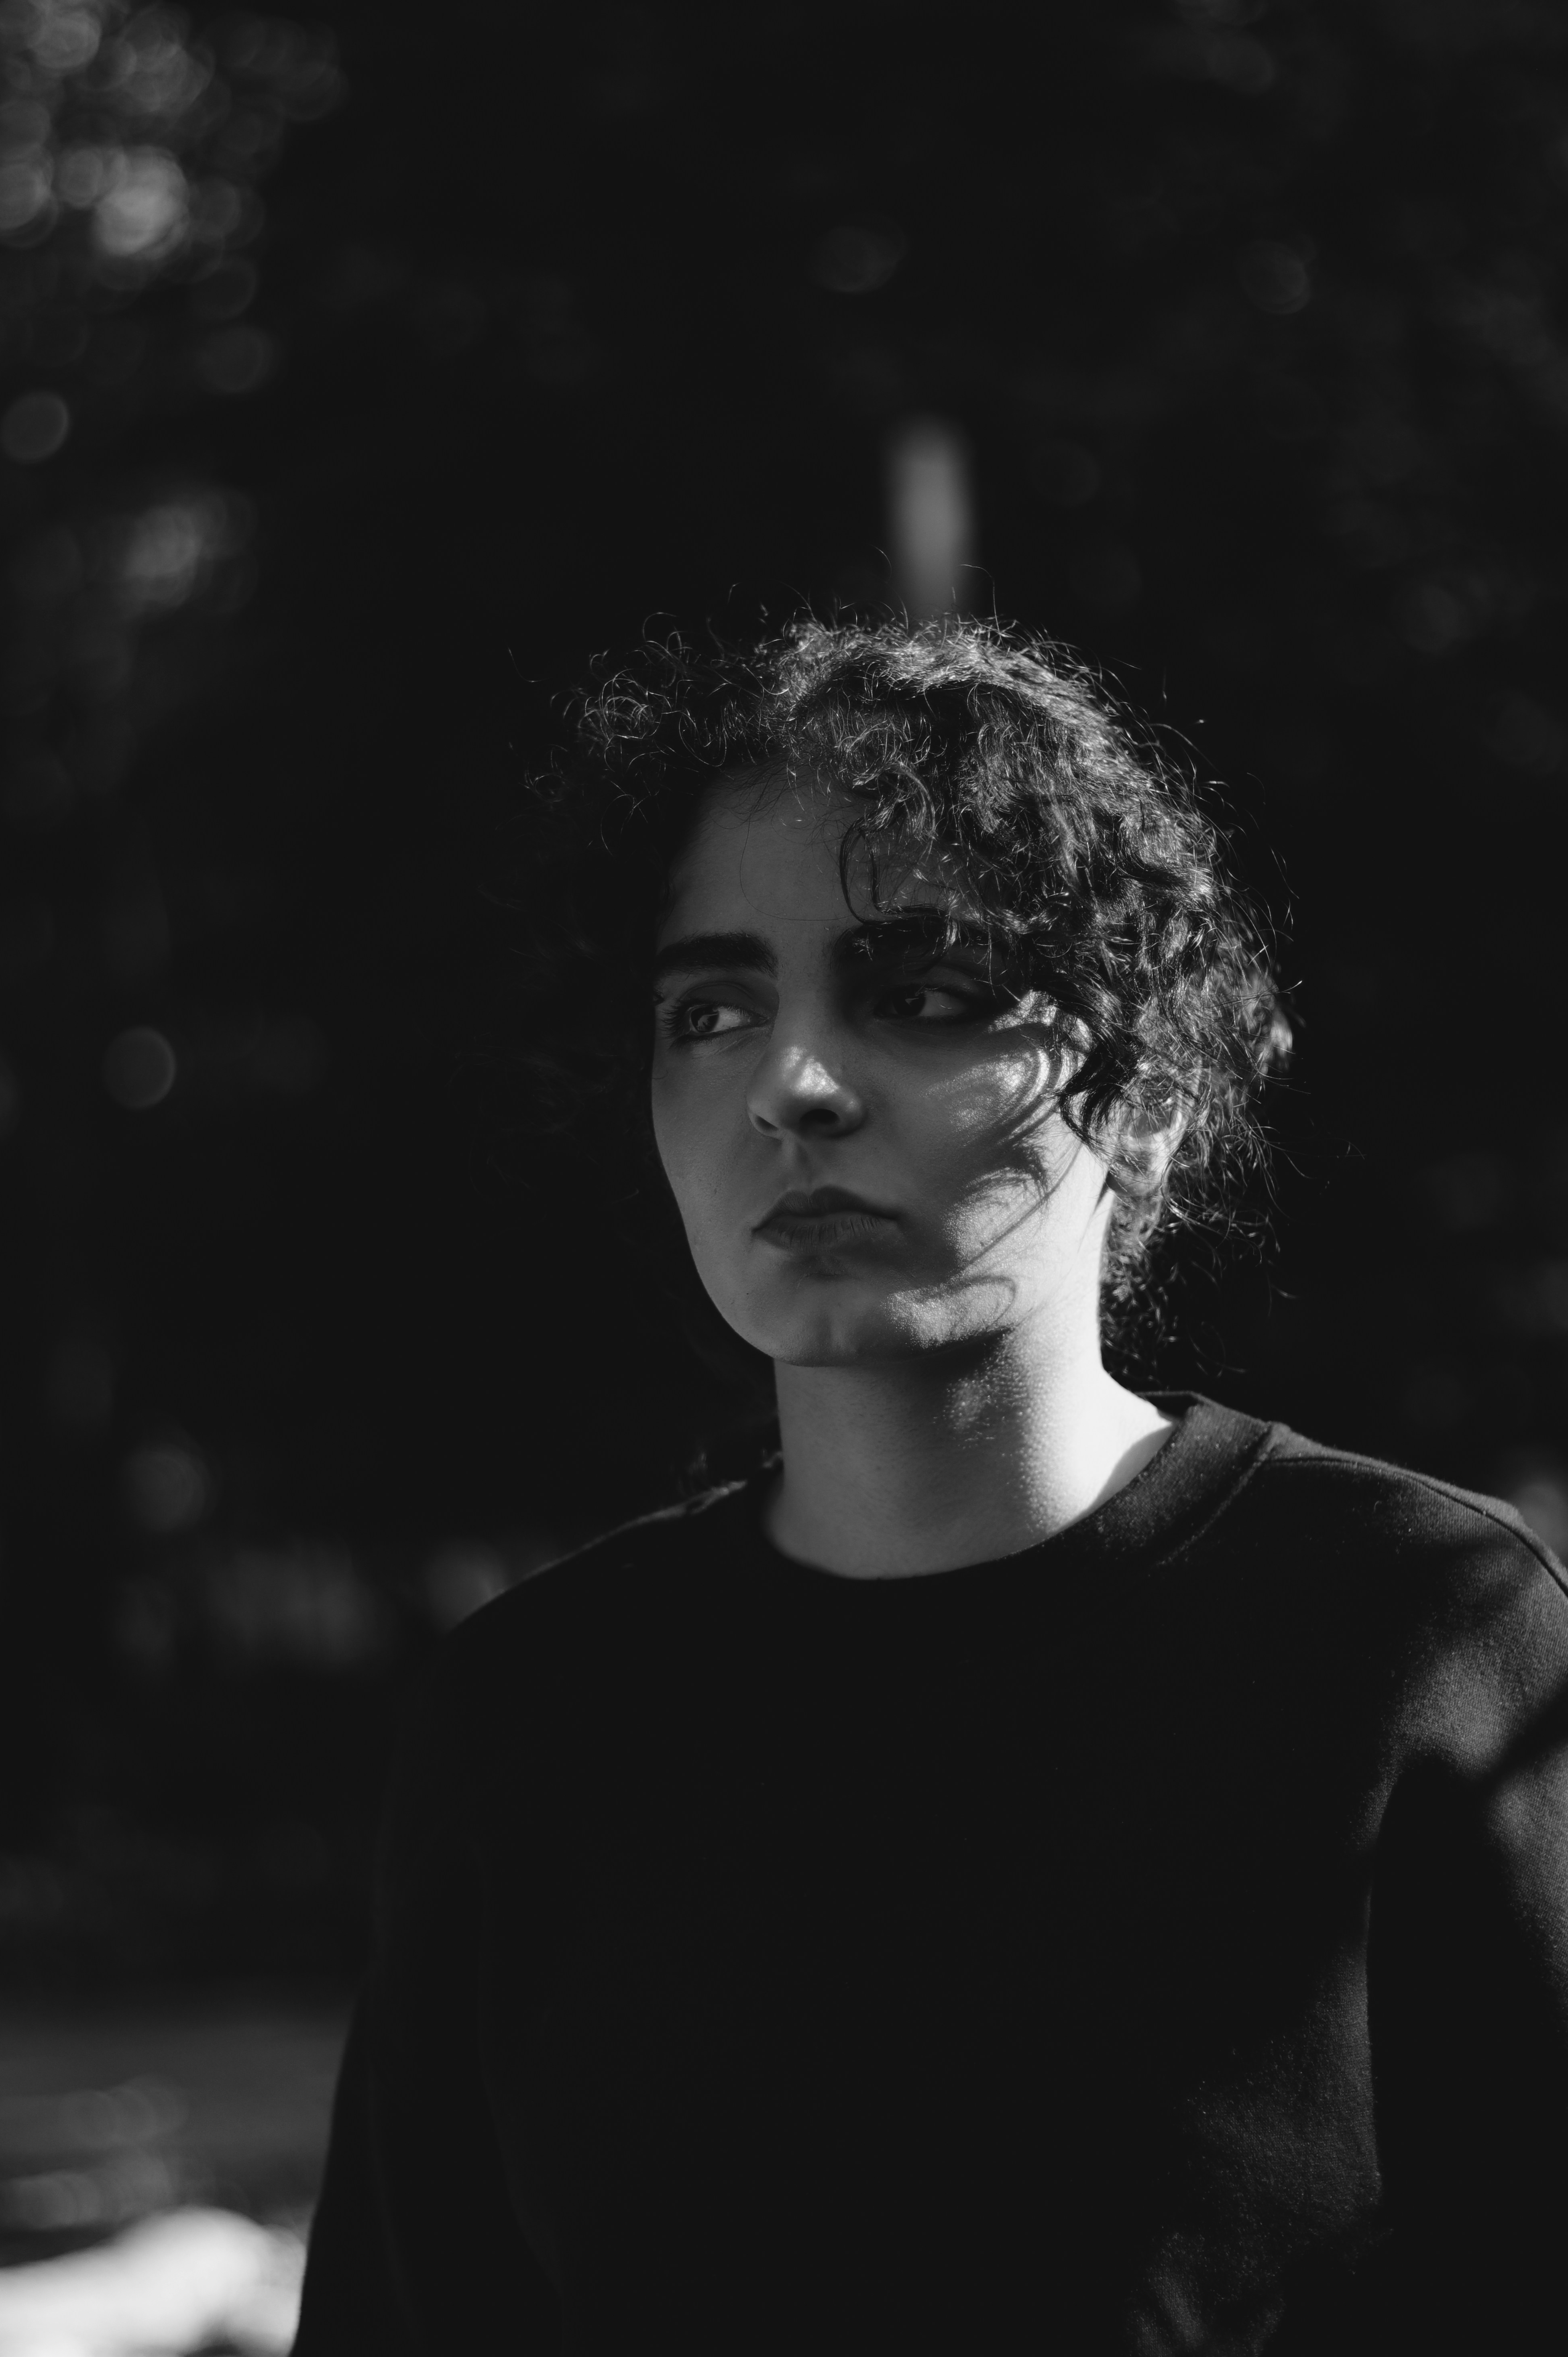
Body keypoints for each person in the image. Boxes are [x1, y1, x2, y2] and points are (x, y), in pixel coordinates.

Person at [292, 619, 1568, 2355]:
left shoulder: (1418, 1640)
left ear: (1152, 1097)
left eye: (923, 991)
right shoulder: (529, 1723)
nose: (793, 1086)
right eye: (712, 1007)